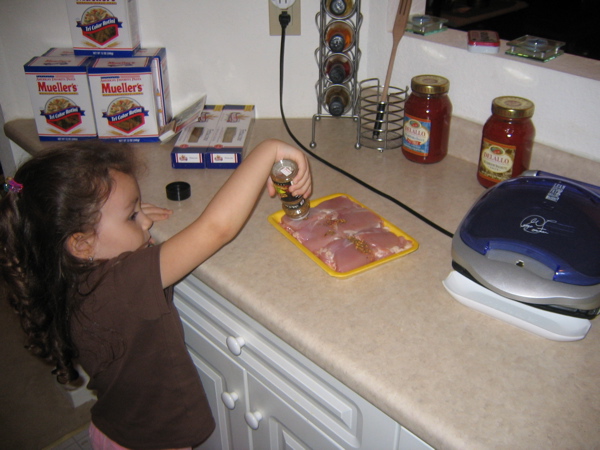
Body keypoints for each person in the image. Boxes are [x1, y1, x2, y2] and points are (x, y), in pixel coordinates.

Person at [0, 139, 312, 449]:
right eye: (132, 217)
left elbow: (106, 234)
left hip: (112, 428)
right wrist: (267, 150)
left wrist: (123, 219)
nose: (146, 220)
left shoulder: (60, 270)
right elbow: (216, 228)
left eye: (139, 208)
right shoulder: (119, 286)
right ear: (81, 244)